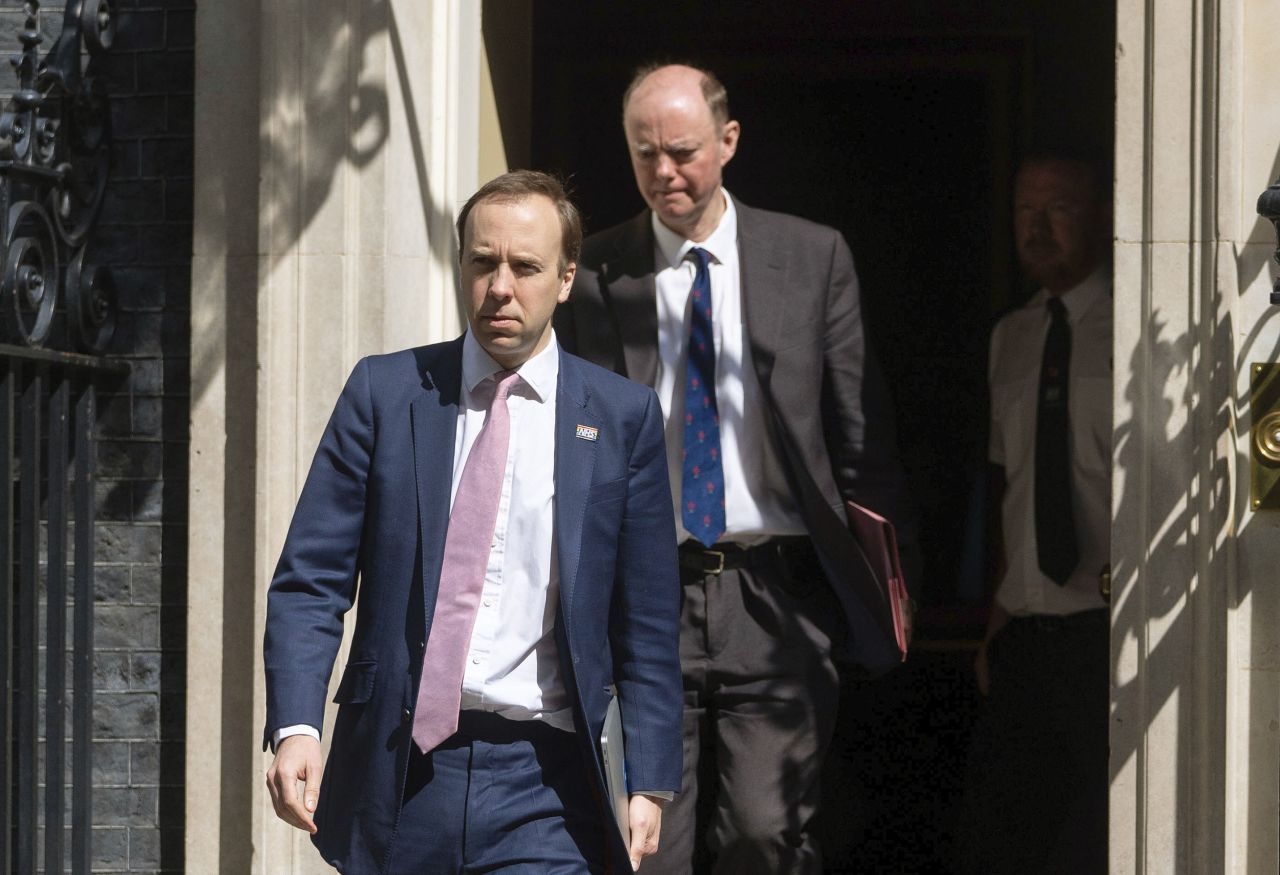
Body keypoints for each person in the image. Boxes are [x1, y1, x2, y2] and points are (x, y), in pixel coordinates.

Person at [262, 170, 683, 875]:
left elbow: (645, 618)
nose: (500, 287)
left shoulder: (620, 418)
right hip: (401, 772)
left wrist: (649, 776)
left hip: (549, 785)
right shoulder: (385, 393)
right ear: (460, 264)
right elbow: (311, 579)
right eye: (482, 262)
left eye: (525, 267)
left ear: (567, 276)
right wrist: (296, 726)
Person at [555, 63, 917, 874]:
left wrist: (889, 591)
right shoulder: (596, 273)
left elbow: (860, 438)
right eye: (644, 154)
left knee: (765, 834)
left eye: (681, 152)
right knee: (646, 844)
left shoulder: (810, 256)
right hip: (645, 591)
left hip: (776, 593)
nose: (663, 174)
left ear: (728, 141)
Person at [959, 154, 1112, 874]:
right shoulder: (1010, 336)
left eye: (1060, 208)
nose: (1039, 227)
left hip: (1106, 632)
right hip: (1023, 637)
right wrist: (993, 630)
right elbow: (1009, 490)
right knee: (1007, 841)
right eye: (1026, 210)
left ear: (1103, 215)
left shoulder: (1134, 325)